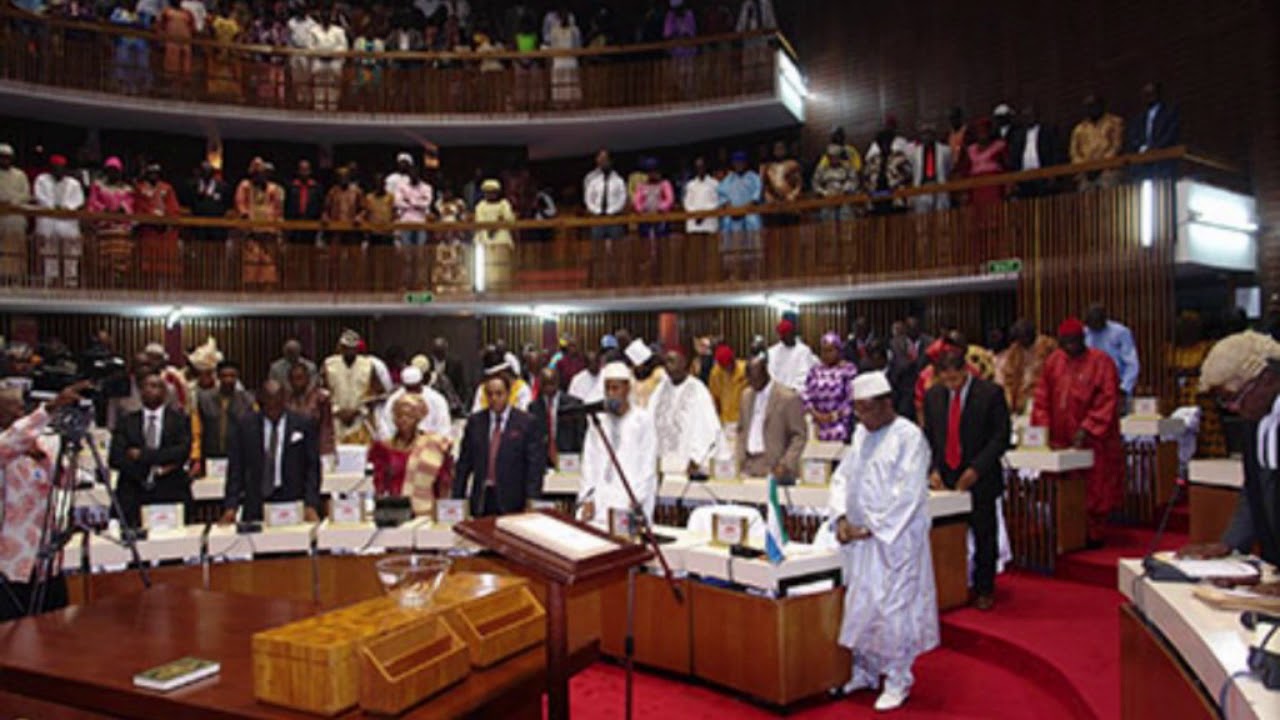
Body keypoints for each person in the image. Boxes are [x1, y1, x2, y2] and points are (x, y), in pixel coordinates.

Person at [828, 371, 939, 711]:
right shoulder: (861, 434)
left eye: (867, 410)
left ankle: (897, 679)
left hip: (895, 543)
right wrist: (842, 519)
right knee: (862, 606)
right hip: (861, 542)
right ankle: (865, 670)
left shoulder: (909, 438)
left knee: (894, 611)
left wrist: (872, 527)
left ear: (886, 403)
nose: (862, 418)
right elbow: (842, 478)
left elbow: (908, 494)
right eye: (857, 411)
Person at [1180, 332, 1280, 576]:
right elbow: (1254, 489)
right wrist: (1231, 544)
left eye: (1233, 397)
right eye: (1224, 402)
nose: (1233, 409)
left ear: (1267, 379)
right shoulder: (1253, 421)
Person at [923, 350, 1011, 610]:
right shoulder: (934, 396)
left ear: (965, 371)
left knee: (984, 534)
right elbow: (930, 437)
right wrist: (933, 469)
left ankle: (985, 588)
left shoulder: (990, 394)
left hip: (979, 476)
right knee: (948, 535)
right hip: (947, 478)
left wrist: (976, 470)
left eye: (955, 379)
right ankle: (951, 586)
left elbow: (1000, 438)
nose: (951, 385)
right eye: (946, 380)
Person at [0, 382, 87, 620]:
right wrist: (50, 406)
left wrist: (48, 458)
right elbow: (13, 440)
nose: (21, 414)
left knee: (55, 621)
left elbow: (68, 478)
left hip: (46, 553)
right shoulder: (6, 444)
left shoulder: (40, 445)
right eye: (14, 409)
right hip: (11, 561)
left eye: (22, 409)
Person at [1032, 318, 1122, 547]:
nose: (1069, 347)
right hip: (1059, 440)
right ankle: (1064, 528)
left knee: (1094, 487)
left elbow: (1108, 399)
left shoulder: (1101, 362)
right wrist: (1043, 431)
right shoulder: (1053, 362)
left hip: (1092, 440)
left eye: (1074, 342)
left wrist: (1088, 427)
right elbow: (1042, 398)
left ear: (1083, 339)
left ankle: (1093, 533)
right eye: (1065, 343)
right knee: (1060, 486)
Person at [220, 379, 321, 524]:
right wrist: (231, 506)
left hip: (292, 499)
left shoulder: (303, 424)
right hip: (256, 500)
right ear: (260, 401)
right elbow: (236, 468)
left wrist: (311, 504)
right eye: (269, 405)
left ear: (284, 400)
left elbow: (312, 468)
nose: (273, 411)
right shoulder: (245, 426)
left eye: (277, 405)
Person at [109, 372, 193, 528]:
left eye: (155, 386)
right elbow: (115, 458)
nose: (149, 390)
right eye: (145, 387)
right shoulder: (127, 422)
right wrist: (150, 469)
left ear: (165, 392)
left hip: (170, 489)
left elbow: (182, 452)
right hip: (133, 490)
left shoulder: (179, 420)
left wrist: (142, 455)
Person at [579, 362, 658, 528]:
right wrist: (588, 498)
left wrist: (636, 499)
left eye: (616, 388)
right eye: (607, 389)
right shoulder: (598, 421)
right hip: (600, 500)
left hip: (630, 500)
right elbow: (589, 461)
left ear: (627, 389)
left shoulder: (642, 420)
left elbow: (648, 465)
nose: (610, 394)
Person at [453, 374, 544, 516]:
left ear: (508, 394)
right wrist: (457, 498)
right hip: (482, 497)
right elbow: (464, 463)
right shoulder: (475, 422)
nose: (494, 398)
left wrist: (532, 499)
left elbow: (534, 466)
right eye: (490, 394)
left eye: (499, 394)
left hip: (514, 499)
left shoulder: (526, 422)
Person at [368, 393, 453, 516]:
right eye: (399, 415)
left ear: (418, 418)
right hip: (394, 512)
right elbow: (379, 483)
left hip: (426, 512)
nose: (403, 420)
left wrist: (442, 512)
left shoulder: (434, 444)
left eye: (409, 416)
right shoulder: (383, 447)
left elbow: (444, 482)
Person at [652, 350, 721, 475]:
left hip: (688, 464)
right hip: (660, 464)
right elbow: (649, 421)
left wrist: (697, 458)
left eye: (672, 361)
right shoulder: (660, 388)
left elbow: (708, 428)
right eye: (665, 362)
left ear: (684, 363)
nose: (667, 366)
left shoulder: (698, 389)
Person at [737, 356, 806, 480]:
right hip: (748, 465)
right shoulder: (745, 396)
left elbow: (799, 436)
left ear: (765, 372)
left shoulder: (788, 397)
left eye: (755, 378)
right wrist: (739, 458)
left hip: (775, 466)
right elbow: (741, 430)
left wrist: (786, 464)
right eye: (749, 379)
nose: (752, 383)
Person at [1169, 312, 1225, 458]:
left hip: (1199, 390)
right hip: (1175, 392)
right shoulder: (1171, 349)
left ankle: (1204, 450)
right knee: (1173, 418)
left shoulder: (1207, 347)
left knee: (1200, 415)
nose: (1187, 331)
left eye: (1190, 327)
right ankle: (1177, 448)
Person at [33, 154, 84, 288]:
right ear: (50, 168)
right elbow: (40, 197)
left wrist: (66, 207)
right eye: (55, 168)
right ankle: (50, 280)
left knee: (71, 253)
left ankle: (70, 281)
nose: (58, 170)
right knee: (49, 252)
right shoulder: (42, 180)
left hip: (68, 222)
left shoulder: (73, 183)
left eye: (61, 168)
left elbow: (78, 200)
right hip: (49, 220)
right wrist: (52, 207)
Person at [323, 329, 381, 445]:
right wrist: (337, 410)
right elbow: (323, 391)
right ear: (341, 347)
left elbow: (377, 393)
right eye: (346, 348)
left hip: (360, 419)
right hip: (335, 419)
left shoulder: (368, 365)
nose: (349, 351)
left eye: (353, 348)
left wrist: (357, 411)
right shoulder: (329, 364)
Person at [235, 157, 284, 287]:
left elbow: (278, 209)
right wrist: (246, 217)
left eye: (262, 173)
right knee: (252, 260)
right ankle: (250, 287)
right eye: (257, 173)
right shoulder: (245, 186)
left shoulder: (274, 189)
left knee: (268, 261)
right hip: (251, 231)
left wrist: (278, 227)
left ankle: (267, 287)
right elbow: (240, 204)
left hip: (269, 230)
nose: (260, 176)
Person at [803, 332, 859, 443]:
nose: (826, 354)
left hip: (839, 425)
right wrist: (815, 414)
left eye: (830, 351)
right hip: (816, 423)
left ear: (839, 351)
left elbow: (851, 399)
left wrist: (832, 416)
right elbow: (806, 394)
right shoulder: (815, 370)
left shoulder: (848, 369)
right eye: (823, 351)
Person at [88, 156, 135, 283]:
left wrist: (122, 209)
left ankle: (119, 280)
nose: (113, 173)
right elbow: (93, 203)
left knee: (121, 257)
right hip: (104, 227)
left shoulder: (127, 189)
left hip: (120, 228)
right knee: (104, 259)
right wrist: (105, 210)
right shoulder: (98, 186)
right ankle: (104, 281)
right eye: (110, 170)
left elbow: (129, 205)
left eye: (115, 171)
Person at [996, 319, 1057, 415]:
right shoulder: (1015, 350)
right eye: (1019, 339)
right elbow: (1008, 377)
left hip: (1042, 397)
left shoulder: (1048, 346)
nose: (1021, 342)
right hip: (1020, 399)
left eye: (1023, 338)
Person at [196, 360, 255, 461]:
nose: (228, 380)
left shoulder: (248, 400)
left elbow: (253, 430)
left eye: (232, 376)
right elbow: (197, 430)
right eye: (224, 376)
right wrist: (196, 456)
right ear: (218, 377)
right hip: (210, 454)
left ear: (237, 377)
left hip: (239, 455)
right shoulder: (204, 399)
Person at [717, 150, 763, 280]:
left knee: (753, 245)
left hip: (750, 218)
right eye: (736, 163)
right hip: (733, 220)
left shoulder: (753, 177)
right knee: (732, 247)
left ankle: (754, 274)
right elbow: (721, 195)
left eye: (741, 162)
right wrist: (730, 208)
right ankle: (733, 274)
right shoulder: (728, 179)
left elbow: (756, 197)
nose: (739, 165)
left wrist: (744, 209)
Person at [529, 366, 585, 469]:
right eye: (545, 384)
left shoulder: (573, 404)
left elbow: (580, 434)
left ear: (557, 382)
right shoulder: (533, 407)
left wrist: (581, 456)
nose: (548, 388)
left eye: (551, 383)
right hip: (543, 459)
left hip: (568, 456)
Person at [133, 163, 181, 282]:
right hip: (148, 228)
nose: (153, 176)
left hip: (164, 230)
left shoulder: (167, 188)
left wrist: (165, 220)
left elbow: (173, 208)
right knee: (147, 259)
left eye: (156, 173)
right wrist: (151, 218)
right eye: (151, 173)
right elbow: (138, 207)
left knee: (165, 256)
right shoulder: (140, 189)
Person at [1084, 304, 1140, 400]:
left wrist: (1124, 387)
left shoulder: (1120, 332)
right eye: (1091, 325)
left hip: (1116, 385)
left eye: (1097, 324)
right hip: (1091, 388)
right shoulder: (1085, 333)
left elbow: (1132, 363)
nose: (1094, 328)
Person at [379, 366, 451, 440]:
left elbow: (443, 426)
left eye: (415, 387)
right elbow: (386, 426)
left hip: (430, 444)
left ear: (421, 383)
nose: (412, 392)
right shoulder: (394, 399)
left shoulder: (436, 399)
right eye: (409, 388)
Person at [1069, 94, 1124, 191]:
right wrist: (1087, 167)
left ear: (1101, 105)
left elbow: (1116, 146)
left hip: (1108, 170)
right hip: (1086, 172)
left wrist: (1099, 166)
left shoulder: (1114, 122)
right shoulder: (1079, 129)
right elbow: (1074, 153)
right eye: (1088, 107)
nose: (1091, 109)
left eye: (1094, 105)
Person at [1008, 104, 1061, 197]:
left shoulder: (1047, 131)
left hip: (1043, 175)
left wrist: (1053, 174)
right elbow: (1014, 157)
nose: (1029, 118)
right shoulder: (1018, 135)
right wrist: (1014, 179)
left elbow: (1055, 152)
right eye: (1026, 116)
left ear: (1037, 116)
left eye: (1031, 115)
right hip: (1024, 178)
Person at [473, 178, 516, 290]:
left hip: (501, 235)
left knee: (501, 264)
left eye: (493, 192)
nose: (490, 194)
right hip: (484, 236)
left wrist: (498, 225)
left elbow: (509, 219)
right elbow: (479, 221)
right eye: (488, 192)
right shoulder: (480, 205)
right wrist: (493, 226)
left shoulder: (504, 204)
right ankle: (484, 286)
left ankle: (502, 286)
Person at [285, 361, 335, 457]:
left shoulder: (320, 398)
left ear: (307, 378)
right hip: (292, 450)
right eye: (293, 379)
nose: (297, 382)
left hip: (316, 447)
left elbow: (326, 427)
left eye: (300, 378)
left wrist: (325, 451)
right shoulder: (286, 400)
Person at [889, 316, 933, 422]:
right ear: (905, 328)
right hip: (904, 392)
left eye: (915, 327)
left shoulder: (930, 342)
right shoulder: (895, 343)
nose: (913, 330)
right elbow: (897, 365)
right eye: (910, 327)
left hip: (925, 392)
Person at [309, 8, 349, 111]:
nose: (326, 19)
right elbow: (310, 47)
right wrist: (322, 52)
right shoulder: (313, 30)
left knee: (334, 87)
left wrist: (331, 53)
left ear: (331, 18)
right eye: (323, 17)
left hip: (334, 63)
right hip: (319, 62)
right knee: (318, 87)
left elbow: (344, 46)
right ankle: (318, 110)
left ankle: (333, 108)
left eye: (328, 17)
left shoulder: (339, 31)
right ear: (321, 18)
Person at [0, 144, 29, 284]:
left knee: (16, 247)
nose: (5, 160)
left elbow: (26, 195)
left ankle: (15, 278)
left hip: (15, 216)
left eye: (7, 158)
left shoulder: (20, 175)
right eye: (2, 157)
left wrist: (13, 201)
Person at [584, 149, 627, 243]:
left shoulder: (618, 179)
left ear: (610, 161)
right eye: (601, 158)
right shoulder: (591, 178)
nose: (603, 161)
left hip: (614, 217)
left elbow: (622, 198)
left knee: (617, 245)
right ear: (597, 159)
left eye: (606, 159)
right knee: (597, 246)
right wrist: (596, 211)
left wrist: (612, 211)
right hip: (597, 218)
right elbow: (588, 198)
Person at [907, 122, 951, 213]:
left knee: (941, 219)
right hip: (922, 188)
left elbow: (948, 168)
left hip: (939, 187)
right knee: (922, 221)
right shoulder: (914, 153)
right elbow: (913, 171)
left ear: (934, 135)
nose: (927, 137)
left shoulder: (945, 150)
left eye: (929, 133)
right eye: (924, 134)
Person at [185, 162, 230, 245]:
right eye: (204, 171)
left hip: (216, 227)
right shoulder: (193, 185)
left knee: (216, 251)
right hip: (198, 226)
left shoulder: (222, 187)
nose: (206, 173)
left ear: (212, 173)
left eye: (208, 171)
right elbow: (189, 202)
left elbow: (226, 204)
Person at [1128, 81, 1179, 154]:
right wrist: (1141, 148)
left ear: (1158, 94)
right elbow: (1133, 137)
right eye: (1146, 94)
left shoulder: (1169, 113)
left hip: (1164, 156)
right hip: (1142, 158)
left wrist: (1154, 148)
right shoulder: (1139, 117)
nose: (1149, 97)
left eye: (1151, 93)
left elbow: (1171, 134)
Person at [767, 319, 817, 392]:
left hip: (797, 392)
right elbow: (771, 373)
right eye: (782, 335)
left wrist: (794, 389)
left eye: (787, 334)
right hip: (777, 393)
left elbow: (806, 374)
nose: (784, 338)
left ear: (793, 333)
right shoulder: (772, 352)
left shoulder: (804, 351)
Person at [545, 7, 581, 105]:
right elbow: (578, 46)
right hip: (565, 61)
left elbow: (553, 46)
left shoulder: (572, 30)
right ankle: (567, 103)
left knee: (565, 83)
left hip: (564, 61)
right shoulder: (573, 30)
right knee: (565, 82)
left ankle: (563, 103)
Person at [157, 0, 196, 85]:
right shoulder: (166, 12)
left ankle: (183, 89)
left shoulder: (188, 13)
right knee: (171, 66)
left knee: (185, 68)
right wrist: (161, 41)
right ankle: (171, 88)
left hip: (185, 42)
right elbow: (160, 26)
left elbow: (193, 27)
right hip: (171, 43)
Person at [708, 343, 748, 424]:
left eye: (730, 364)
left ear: (733, 359)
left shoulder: (745, 369)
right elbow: (714, 398)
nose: (728, 368)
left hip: (744, 418)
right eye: (724, 366)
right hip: (725, 420)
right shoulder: (715, 373)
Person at [682, 156, 720, 236]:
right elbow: (687, 203)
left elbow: (716, 202)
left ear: (706, 167)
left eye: (702, 166)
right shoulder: (690, 185)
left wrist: (703, 214)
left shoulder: (714, 183)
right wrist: (696, 214)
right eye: (698, 167)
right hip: (694, 224)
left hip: (709, 224)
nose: (700, 169)